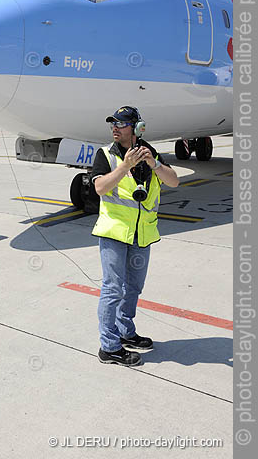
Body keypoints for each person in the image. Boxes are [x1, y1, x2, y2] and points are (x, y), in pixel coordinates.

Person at [91, 106, 179, 366]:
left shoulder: (150, 153)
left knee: (134, 288)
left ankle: (126, 332)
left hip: (143, 235)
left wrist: (154, 164)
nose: (115, 128)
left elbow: (173, 181)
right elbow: (100, 187)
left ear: (137, 128)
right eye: (113, 124)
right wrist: (125, 166)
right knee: (112, 289)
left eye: (121, 123)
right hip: (115, 233)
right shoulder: (106, 155)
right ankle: (109, 347)